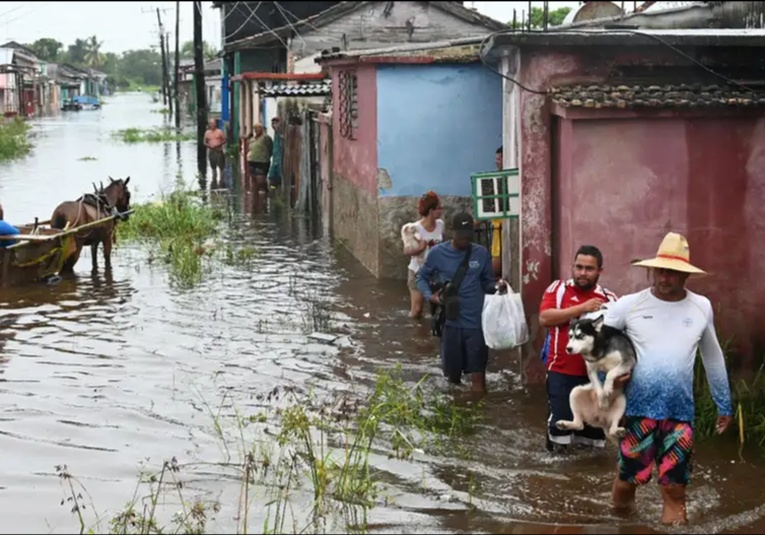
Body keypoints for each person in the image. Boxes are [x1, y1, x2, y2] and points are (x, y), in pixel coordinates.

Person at [604, 232, 732, 525]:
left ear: (685, 275)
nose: (664, 277)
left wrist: (723, 403)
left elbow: (712, 356)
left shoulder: (701, 307)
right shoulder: (629, 305)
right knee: (629, 480)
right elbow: (600, 345)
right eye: (660, 270)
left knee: (675, 488)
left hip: (679, 414)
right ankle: (622, 523)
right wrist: (610, 376)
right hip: (637, 413)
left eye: (672, 272)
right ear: (652, 269)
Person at [539, 245, 619, 453]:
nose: (583, 273)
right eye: (579, 267)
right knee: (560, 433)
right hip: (562, 372)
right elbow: (544, 318)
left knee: (592, 439)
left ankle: (583, 480)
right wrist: (581, 309)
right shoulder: (558, 289)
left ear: (600, 271)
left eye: (589, 269)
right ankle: (557, 480)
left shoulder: (609, 299)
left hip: (596, 377)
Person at [416, 212, 506, 393]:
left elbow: (487, 283)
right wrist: (430, 296)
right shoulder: (437, 254)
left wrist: (498, 286)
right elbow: (421, 277)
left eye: (468, 236)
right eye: (461, 237)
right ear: (452, 232)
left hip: (476, 325)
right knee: (452, 379)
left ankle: (477, 412)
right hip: (451, 323)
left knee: (478, 378)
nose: (465, 241)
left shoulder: (480, 254)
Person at [403, 191, 444, 319]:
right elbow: (406, 251)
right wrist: (419, 249)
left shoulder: (440, 225)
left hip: (436, 272)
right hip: (417, 271)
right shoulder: (413, 228)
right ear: (431, 210)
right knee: (417, 310)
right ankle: (415, 333)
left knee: (438, 308)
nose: (441, 211)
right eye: (438, 208)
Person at [246, 123, 273, 193]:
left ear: (262, 129)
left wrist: (267, 156)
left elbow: (270, 148)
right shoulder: (252, 139)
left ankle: (264, 191)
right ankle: (256, 195)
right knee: (254, 179)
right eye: (255, 128)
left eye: (258, 128)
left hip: (262, 161)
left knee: (260, 180)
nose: (256, 130)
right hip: (252, 161)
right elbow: (250, 148)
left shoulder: (266, 138)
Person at [491, 146, 503, 278]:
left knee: (496, 264)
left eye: (499, 159)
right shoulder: (495, 180)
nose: (497, 162)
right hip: (496, 227)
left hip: (501, 226)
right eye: (496, 159)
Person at [203, 118, 226, 186]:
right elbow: (204, 142)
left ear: (215, 124)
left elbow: (225, 140)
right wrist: (209, 146)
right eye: (211, 123)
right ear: (209, 124)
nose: (212, 125)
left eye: (213, 123)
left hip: (219, 151)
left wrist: (219, 144)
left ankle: (222, 182)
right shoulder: (207, 133)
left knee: (221, 168)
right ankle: (214, 182)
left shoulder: (219, 131)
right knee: (213, 168)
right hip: (211, 151)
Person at [267, 116, 283, 191]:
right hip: (276, 160)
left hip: (280, 161)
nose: (274, 125)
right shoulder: (276, 134)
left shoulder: (280, 134)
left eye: (276, 123)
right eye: (273, 124)